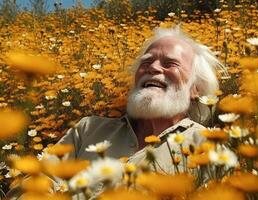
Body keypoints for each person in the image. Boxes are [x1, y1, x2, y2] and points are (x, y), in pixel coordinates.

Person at [57, 26, 226, 172]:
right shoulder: (87, 130)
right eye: (146, 62)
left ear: (195, 89)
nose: (152, 67)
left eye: (169, 64)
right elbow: (40, 181)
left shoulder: (210, 148)